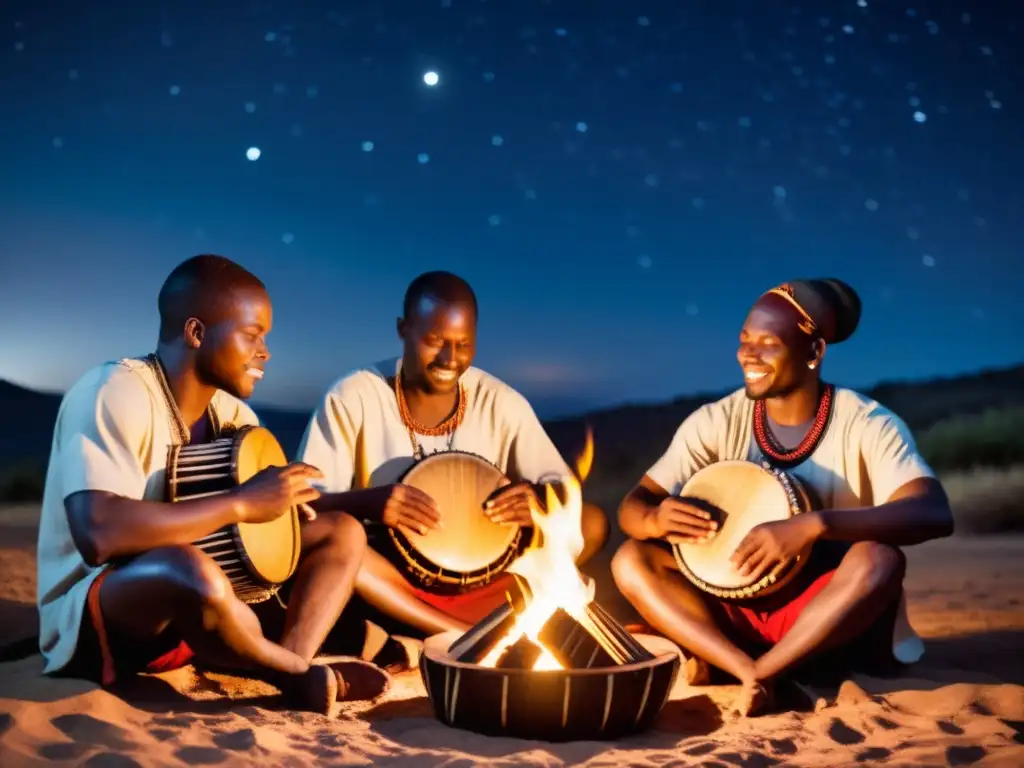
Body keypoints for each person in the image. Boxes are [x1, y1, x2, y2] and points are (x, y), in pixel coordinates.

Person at [36, 254, 389, 714]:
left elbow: (260, 515)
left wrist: (282, 506)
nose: (265, 350)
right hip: (105, 615)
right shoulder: (112, 389)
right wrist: (241, 503)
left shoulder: (234, 416)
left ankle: (286, 663)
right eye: (252, 334)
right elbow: (99, 533)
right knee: (188, 568)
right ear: (196, 332)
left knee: (341, 532)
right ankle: (292, 674)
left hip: (206, 611)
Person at [611, 278, 954, 716]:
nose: (747, 355)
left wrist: (814, 525)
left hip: (825, 620)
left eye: (768, 343)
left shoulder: (866, 423)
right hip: (731, 613)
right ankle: (747, 670)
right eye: (744, 340)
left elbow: (933, 512)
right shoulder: (715, 421)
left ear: (814, 353)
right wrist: (655, 519)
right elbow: (632, 507)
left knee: (879, 560)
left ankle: (768, 668)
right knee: (631, 559)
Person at [297, 270, 609, 647]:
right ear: (403, 329)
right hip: (391, 582)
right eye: (434, 340)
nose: (450, 358)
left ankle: (439, 634)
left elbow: (560, 488)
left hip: (491, 580)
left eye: (463, 344)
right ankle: (471, 638)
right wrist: (370, 502)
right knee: (348, 549)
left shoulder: (500, 400)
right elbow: (306, 507)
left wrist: (538, 501)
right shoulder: (354, 395)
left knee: (589, 522)